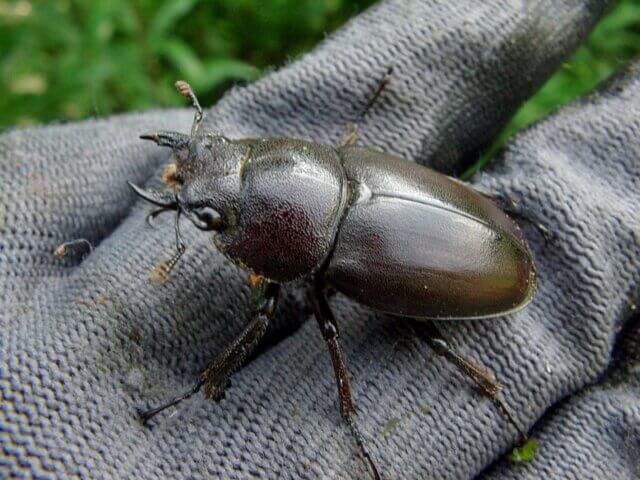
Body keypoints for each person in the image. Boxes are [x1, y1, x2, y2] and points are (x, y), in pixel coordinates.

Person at [1, 1, 638, 478]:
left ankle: (476, 388)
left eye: (212, 216)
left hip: (484, 266)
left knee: (415, 337)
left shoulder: (331, 237)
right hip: (470, 224)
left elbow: (285, 317)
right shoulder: (336, 164)